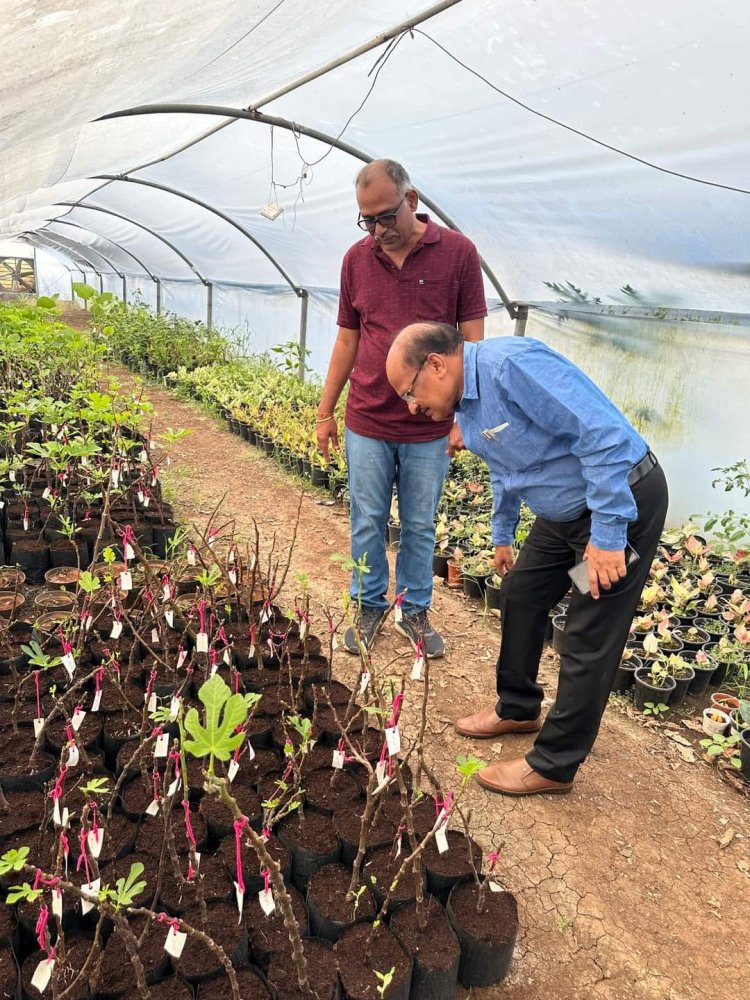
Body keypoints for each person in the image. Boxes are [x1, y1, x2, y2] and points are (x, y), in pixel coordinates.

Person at [386, 321, 669, 795]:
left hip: (617, 506)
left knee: (587, 628)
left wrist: (607, 535)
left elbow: (601, 435)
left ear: (436, 364)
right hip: (562, 517)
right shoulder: (469, 406)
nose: (413, 407)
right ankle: (517, 708)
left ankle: (555, 764)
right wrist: (502, 535)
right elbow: (507, 469)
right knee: (520, 595)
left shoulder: (509, 366)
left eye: (410, 392)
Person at [317, 160, 487, 658]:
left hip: (428, 426)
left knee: (418, 523)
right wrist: (326, 412)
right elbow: (347, 340)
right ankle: (370, 605)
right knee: (367, 519)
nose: (376, 230)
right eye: (366, 220)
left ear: (412, 200)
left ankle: (413, 611)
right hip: (367, 418)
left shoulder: (458, 253)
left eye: (385, 217)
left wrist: (465, 415)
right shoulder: (356, 260)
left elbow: (471, 343)